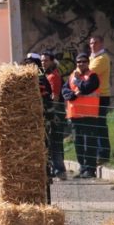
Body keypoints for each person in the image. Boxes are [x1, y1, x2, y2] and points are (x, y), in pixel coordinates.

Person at [62, 53, 100, 179]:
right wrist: (72, 95)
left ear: (88, 63)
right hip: (75, 115)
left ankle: (90, 169)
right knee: (78, 143)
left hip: (89, 115)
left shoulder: (93, 76)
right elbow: (64, 90)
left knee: (89, 142)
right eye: (78, 62)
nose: (80, 64)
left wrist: (78, 81)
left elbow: (87, 88)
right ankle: (83, 168)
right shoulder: (72, 76)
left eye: (83, 61)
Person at [41, 50, 67, 180]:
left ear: (52, 61)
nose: (43, 63)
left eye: (45, 60)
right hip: (53, 110)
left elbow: (55, 96)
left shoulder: (54, 76)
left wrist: (52, 112)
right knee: (54, 142)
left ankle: (60, 170)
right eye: (42, 61)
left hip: (56, 111)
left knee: (55, 141)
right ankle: (58, 169)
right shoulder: (48, 75)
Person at [88, 35, 111, 165]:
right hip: (94, 96)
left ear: (101, 43)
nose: (92, 45)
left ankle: (103, 154)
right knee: (94, 125)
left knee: (100, 125)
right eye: (91, 43)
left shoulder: (102, 58)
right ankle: (98, 153)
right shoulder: (92, 58)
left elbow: (88, 73)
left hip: (101, 96)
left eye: (95, 43)